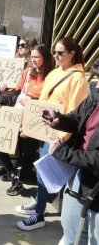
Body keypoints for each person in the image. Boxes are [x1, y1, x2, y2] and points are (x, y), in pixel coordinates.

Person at [16, 37, 88, 230]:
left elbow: (74, 113)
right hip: (44, 129)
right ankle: (40, 202)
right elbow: (42, 101)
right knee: (41, 171)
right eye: (54, 52)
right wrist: (29, 124)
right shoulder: (56, 72)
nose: (55, 56)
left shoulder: (78, 79)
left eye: (60, 53)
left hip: (57, 134)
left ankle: (38, 214)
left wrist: (61, 139)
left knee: (44, 174)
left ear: (72, 54)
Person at [42, 58, 99, 244]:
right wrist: (59, 119)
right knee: (71, 235)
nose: (96, 83)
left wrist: (63, 152)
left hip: (95, 186)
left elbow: (97, 159)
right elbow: (77, 117)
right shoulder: (94, 95)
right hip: (79, 177)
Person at [0, 44, 54, 196]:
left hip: (35, 118)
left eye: (37, 57)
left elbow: (52, 101)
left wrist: (33, 103)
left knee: (27, 152)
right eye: (32, 56)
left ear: (45, 58)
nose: (33, 60)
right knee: (0, 144)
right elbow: (17, 93)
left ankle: (21, 177)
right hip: (18, 114)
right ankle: (13, 176)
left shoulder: (51, 76)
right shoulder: (27, 73)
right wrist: (1, 99)